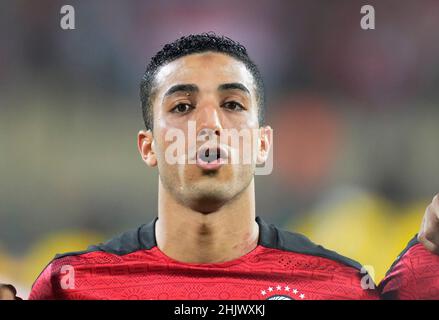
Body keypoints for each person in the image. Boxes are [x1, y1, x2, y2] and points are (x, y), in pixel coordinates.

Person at [4, 33, 439, 300]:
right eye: (182, 105)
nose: (209, 123)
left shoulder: (338, 287)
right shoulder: (70, 285)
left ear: (262, 144)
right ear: (148, 146)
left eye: (232, 104)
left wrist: (432, 249)